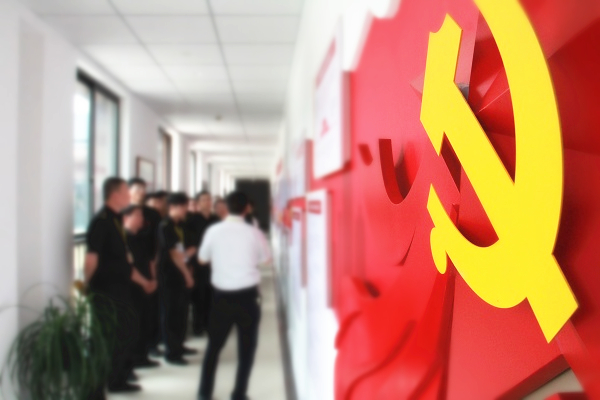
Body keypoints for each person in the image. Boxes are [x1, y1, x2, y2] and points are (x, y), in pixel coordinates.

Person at [84, 178, 157, 396]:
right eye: (127, 191)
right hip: (105, 291)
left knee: (125, 333)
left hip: (121, 289)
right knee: (105, 340)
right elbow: (91, 259)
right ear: (115, 195)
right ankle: (95, 390)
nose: (130, 196)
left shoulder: (117, 220)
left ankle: (117, 379)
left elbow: (125, 262)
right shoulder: (101, 221)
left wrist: (145, 282)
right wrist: (85, 286)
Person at [197, 191, 272, 400]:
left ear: (225, 207)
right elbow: (267, 260)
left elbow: (202, 259)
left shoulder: (213, 231)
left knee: (214, 347)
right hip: (248, 298)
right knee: (246, 349)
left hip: (221, 297)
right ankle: (239, 393)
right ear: (247, 208)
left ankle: (204, 393)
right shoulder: (254, 232)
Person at [158, 192, 195, 365]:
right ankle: (172, 352)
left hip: (181, 274)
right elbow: (175, 255)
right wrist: (187, 274)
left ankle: (179, 345)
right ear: (173, 207)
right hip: (170, 276)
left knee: (181, 312)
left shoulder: (180, 225)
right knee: (171, 314)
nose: (186, 210)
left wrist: (188, 266)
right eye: (184, 206)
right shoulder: (166, 226)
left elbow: (184, 251)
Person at [122, 205, 160, 369]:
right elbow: (128, 267)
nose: (141, 219)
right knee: (133, 324)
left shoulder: (142, 237)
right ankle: (132, 359)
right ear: (126, 218)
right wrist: (145, 283)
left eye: (142, 216)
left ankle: (142, 356)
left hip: (147, 285)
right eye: (137, 215)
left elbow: (150, 260)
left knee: (146, 321)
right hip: (132, 287)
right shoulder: (123, 239)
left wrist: (154, 279)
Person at [128, 178, 162, 357]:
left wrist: (154, 270)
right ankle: (136, 350)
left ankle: (151, 345)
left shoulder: (152, 214)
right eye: (137, 189)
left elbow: (157, 243)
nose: (141, 192)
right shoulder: (123, 212)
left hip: (149, 264)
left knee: (151, 308)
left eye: (143, 189)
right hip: (130, 269)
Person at [187, 191, 220, 336]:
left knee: (212, 294)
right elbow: (190, 244)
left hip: (214, 263)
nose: (207, 202)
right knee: (199, 295)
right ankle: (198, 326)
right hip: (198, 263)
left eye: (209, 199)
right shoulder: (192, 221)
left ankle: (210, 324)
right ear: (198, 203)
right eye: (204, 199)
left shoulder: (216, 220)